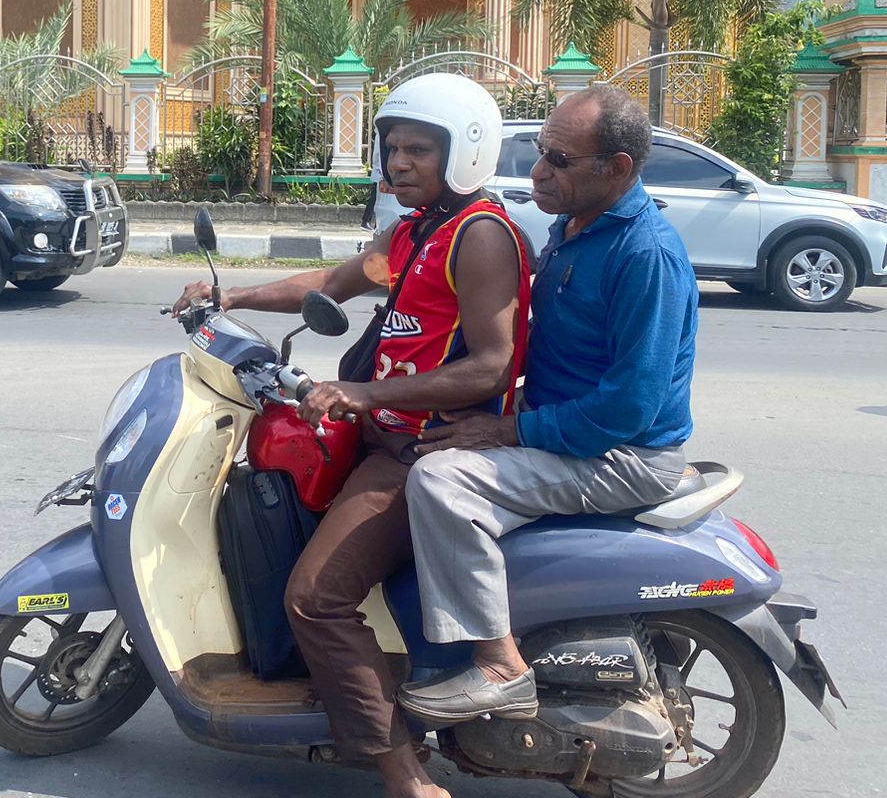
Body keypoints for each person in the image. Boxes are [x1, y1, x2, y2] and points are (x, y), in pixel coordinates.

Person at [171, 74, 529, 798]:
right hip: (382, 436)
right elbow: (332, 283)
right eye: (393, 148)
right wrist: (229, 295)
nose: (400, 164)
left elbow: (491, 366)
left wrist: (364, 392)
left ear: (465, 153)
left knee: (315, 598)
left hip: (418, 453)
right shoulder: (417, 231)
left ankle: (404, 775)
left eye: (419, 150)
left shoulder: (480, 237)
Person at [397, 84, 697, 728]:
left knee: (442, 481)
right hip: (575, 428)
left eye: (560, 160)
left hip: (624, 454)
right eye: (540, 152)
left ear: (616, 168)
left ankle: (499, 665)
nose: (538, 171)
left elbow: (628, 407)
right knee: (440, 438)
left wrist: (508, 429)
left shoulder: (645, 253)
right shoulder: (575, 230)